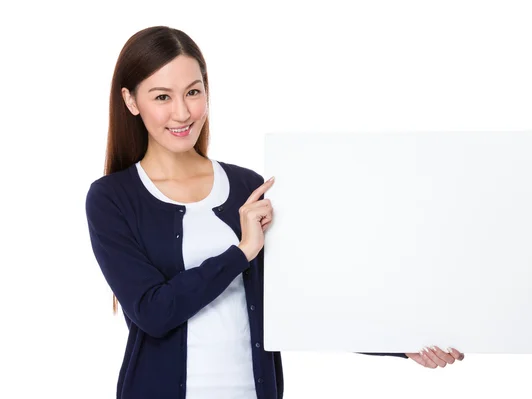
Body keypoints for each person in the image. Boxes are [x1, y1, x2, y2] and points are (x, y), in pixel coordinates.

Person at [85, 26, 464, 399]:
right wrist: (241, 251)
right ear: (131, 101)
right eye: (162, 97)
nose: (183, 112)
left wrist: (402, 343)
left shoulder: (247, 187)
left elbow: (301, 301)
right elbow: (153, 312)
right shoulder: (112, 199)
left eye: (193, 92)